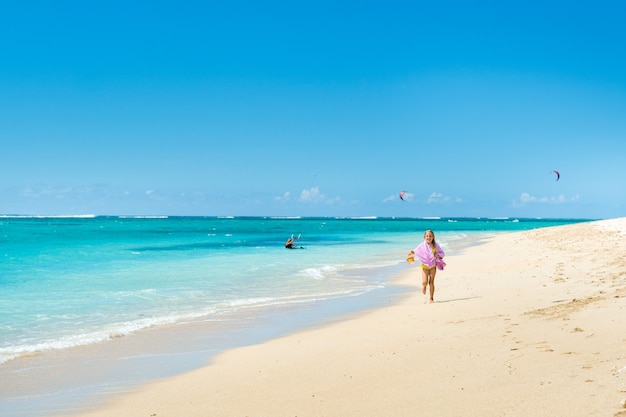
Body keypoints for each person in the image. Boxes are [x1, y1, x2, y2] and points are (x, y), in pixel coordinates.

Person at [407, 229, 445, 303]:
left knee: (431, 282)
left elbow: (441, 252)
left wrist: (438, 255)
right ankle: (424, 286)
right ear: (424, 237)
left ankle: (431, 298)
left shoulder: (435, 245)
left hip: (433, 265)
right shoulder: (422, 245)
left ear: (433, 237)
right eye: (427, 236)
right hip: (424, 265)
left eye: (430, 236)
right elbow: (416, 250)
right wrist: (411, 252)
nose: (428, 237)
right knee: (425, 282)